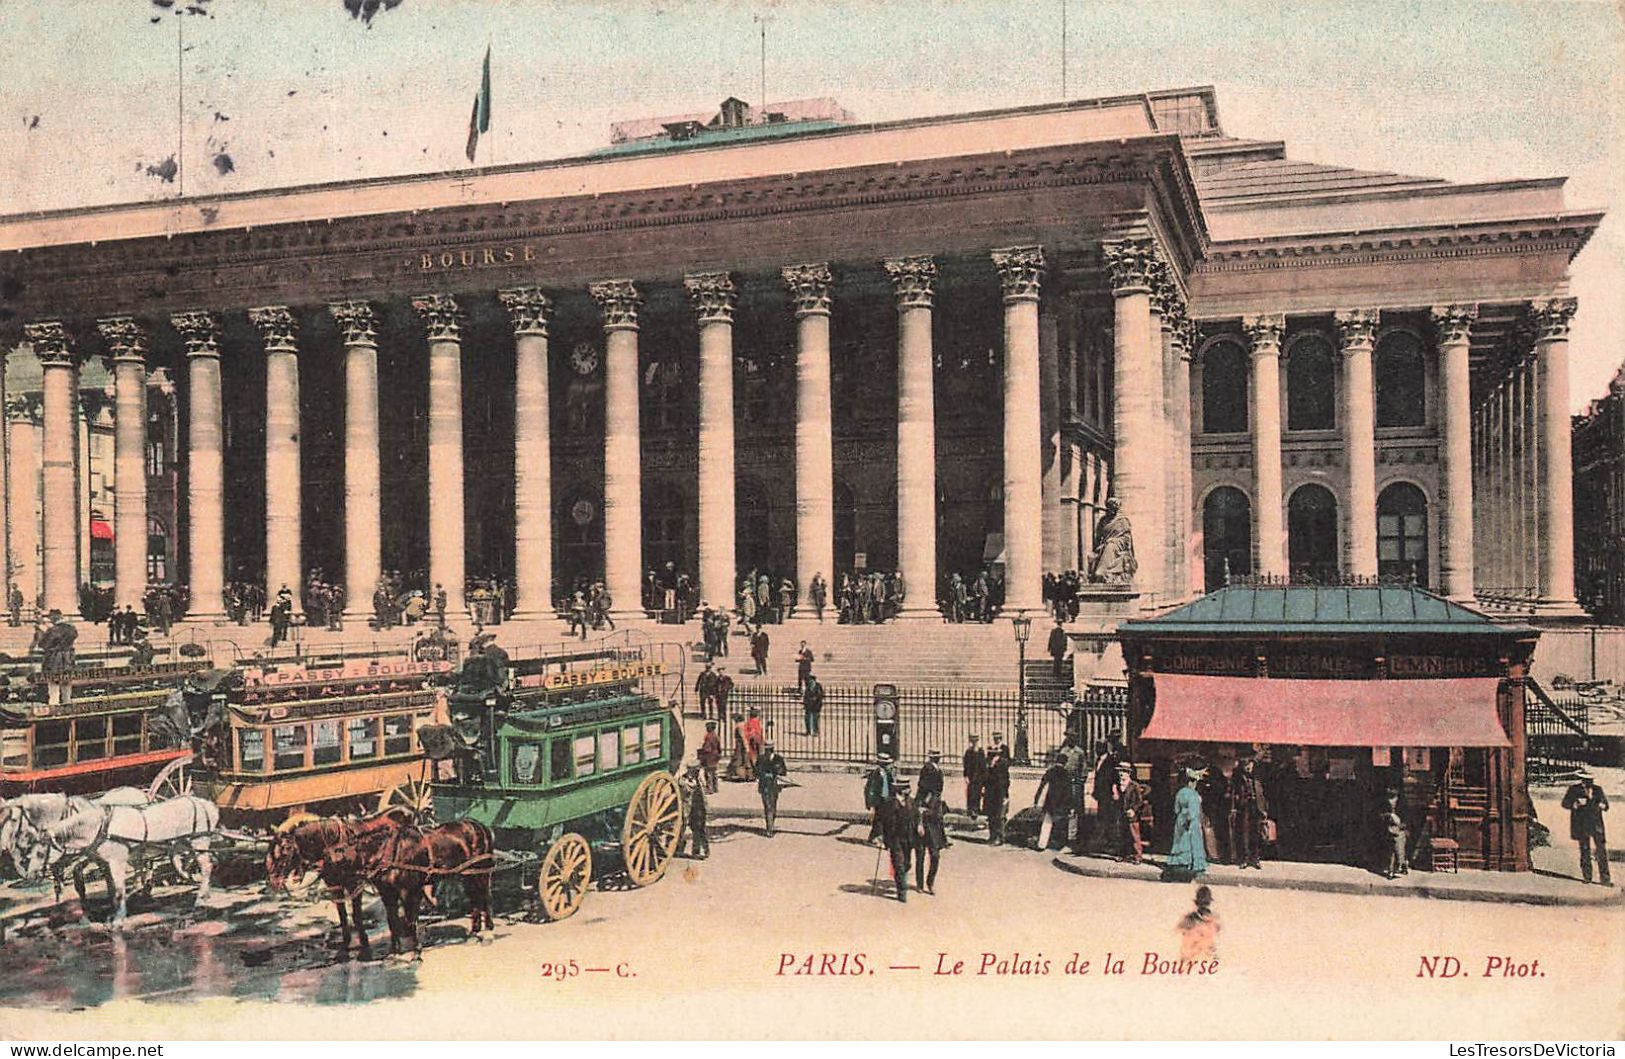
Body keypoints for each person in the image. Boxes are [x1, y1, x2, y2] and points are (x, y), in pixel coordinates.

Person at [1561, 771, 1612, 886]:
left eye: (1591, 780)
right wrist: (1575, 804)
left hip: (1596, 824)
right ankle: (1587, 877)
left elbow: (1606, 805)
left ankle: (1605, 879)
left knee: (1601, 851)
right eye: (1587, 780)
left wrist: (1602, 805)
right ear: (1582, 780)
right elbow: (1565, 803)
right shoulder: (1574, 790)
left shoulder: (1598, 790)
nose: (1590, 782)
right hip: (1582, 824)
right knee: (1585, 851)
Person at [1163, 766, 1210, 882]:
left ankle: (1178, 861)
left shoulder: (1179, 793)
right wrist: (1191, 818)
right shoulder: (1194, 795)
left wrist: (1181, 817)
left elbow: (1176, 809)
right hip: (1191, 822)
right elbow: (1194, 812)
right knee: (1193, 842)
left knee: (1180, 841)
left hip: (1180, 820)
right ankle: (1193, 863)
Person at [1227, 756, 1270, 869]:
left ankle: (1255, 858)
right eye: (1245, 766)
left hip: (1256, 806)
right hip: (1243, 806)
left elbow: (1263, 793)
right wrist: (1233, 808)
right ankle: (1243, 859)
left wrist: (1264, 809)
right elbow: (1232, 793)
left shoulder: (1258, 776)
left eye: (1249, 765)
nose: (1248, 768)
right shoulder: (1237, 777)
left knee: (1256, 833)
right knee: (1244, 833)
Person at [877, 778, 916, 903]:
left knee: (907, 864)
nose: (909, 790)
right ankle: (902, 891)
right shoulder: (890, 804)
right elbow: (880, 819)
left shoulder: (911, 801)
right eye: (906, 788)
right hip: (895, 838)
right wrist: (880, 836)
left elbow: (916, 815)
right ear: (900, 790)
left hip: (908, 838)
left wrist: (919, 825)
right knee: (899, 864)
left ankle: (900, 880)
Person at [915, 772, 948, 895]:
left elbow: (939, 815)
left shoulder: (937, 797)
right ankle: (920, 884)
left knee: (935, 856)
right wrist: (919, 822)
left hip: (933, 830)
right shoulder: (919, 797)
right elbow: (915, 811)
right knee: (920, 857)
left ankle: (930, 882)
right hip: (922, 829)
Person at [1034, 752, 1073, 852]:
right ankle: (1060, 845)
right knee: (1062, 823)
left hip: (1051, 800)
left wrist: (1036, 799)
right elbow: (1069, 791)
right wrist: (1070, 804)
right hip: (1062, 801)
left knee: (1047, 823)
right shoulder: (1067, 774)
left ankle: (1041, 844)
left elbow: (1042, 785)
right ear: (1065, 762)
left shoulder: (1050, 771)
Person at [1177, 886, 1221, 963]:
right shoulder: (1214, 919)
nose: (1204, 906)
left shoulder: (1214, 919)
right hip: (1195, 956)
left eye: (1205, 903)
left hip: (1203, 956)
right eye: (1203, 903)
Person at [1117, 761, 1150, 864]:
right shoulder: (1119, 785)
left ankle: (1138, 856)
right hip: (1122, 814)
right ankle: (1124, 855)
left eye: (1124, 771)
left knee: (1134, 835)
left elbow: (1139, 801)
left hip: (1132, 815)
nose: (1122, 773)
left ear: (1129, 773)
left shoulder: (1134, 785)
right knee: (1123, 835)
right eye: (1120, 771)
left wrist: (1133, 810)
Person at [983, 733, 1012, 845]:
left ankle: (1000, 837)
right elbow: (986, 769)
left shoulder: (1005, 749)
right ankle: (992, 835)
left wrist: (998, 761)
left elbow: (1007, 764)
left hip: (1001, 787)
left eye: (998, 738)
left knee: (1000, 813)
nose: (996, 740)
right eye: (995, 738)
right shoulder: (990, 749)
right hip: (990, 787)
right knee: (991, 813)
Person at [864, 753, 897, 843]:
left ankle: (875, 836)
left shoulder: (889, 773)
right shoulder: (876, 774)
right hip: (879, 799)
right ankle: (877, 837)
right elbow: (871, 789)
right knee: (878, 819)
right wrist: (871, 804)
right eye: (885, 764)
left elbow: (893, 785)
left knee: (883, 818)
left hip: (887, 799)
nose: (888, 765)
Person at [757, 740, 787, 837]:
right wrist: (765, 775)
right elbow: (756, 771)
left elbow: (783, 772)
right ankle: (769, 828)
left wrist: (776, 773)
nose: (767, 752)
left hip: (774, 786)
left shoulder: (778, 759)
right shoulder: (761, 759)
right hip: (764, 786)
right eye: (766, 750)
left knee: (773, 806)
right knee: (768, 807)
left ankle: (771, 825)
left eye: (769, 750)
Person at [680, 763, 710, 860]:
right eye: (693, 770)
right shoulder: (683, 780)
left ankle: (702, 851)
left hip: (700, 808)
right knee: (684, 828)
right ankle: (680, 849)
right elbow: (684, 790)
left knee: (700, 830)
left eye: (697, 770)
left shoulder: (700, 780)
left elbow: (705, 790)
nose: (695, 772)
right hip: (689, 808)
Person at [1379, 791, 1408, 879]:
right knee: (1391, 852)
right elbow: (1380, 815)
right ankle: (1391, 871)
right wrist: (1389, 815)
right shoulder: (1384, 805)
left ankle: (1402, 864)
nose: (1392, 802)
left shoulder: (1402, 806)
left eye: (1394, 798)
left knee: (1399, 851)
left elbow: (1406, 818)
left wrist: (1402, 826)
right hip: (1389, 830)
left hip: (1399, 831)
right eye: (1390, 799)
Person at [961, 734, 985, 821]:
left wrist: (983, 777)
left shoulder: (980, 751)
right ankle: (971, 809)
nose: (974, 742)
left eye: (976, 741)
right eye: (973, 741)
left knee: (978, 792)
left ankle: (976, 809)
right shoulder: (968, 752)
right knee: (971, 792)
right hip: (971, 776)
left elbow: (983, 765)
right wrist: (966, 776)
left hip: (979, 776)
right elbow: (966, 765)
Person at [697, 721, 722, 794]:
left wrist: (701, 751)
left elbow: (707, 749)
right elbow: (719, 747)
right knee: (714, 773)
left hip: (709, 757)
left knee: (708, 773)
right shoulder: (716, 736)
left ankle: (709, 788)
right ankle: (715, 788)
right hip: (715, 756)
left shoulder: (708, 736)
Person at [801, 671, 824, 737]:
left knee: (815, 719)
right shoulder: (808, 687)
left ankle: (816, 731)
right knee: (807, 718)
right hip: (809, 705)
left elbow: (820, 695)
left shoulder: (818, 686)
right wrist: (805, 703)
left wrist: (816, 700)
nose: (810, 680)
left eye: (811, 678)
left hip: (816, 705)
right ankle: (808, 731)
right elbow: (806, 696)